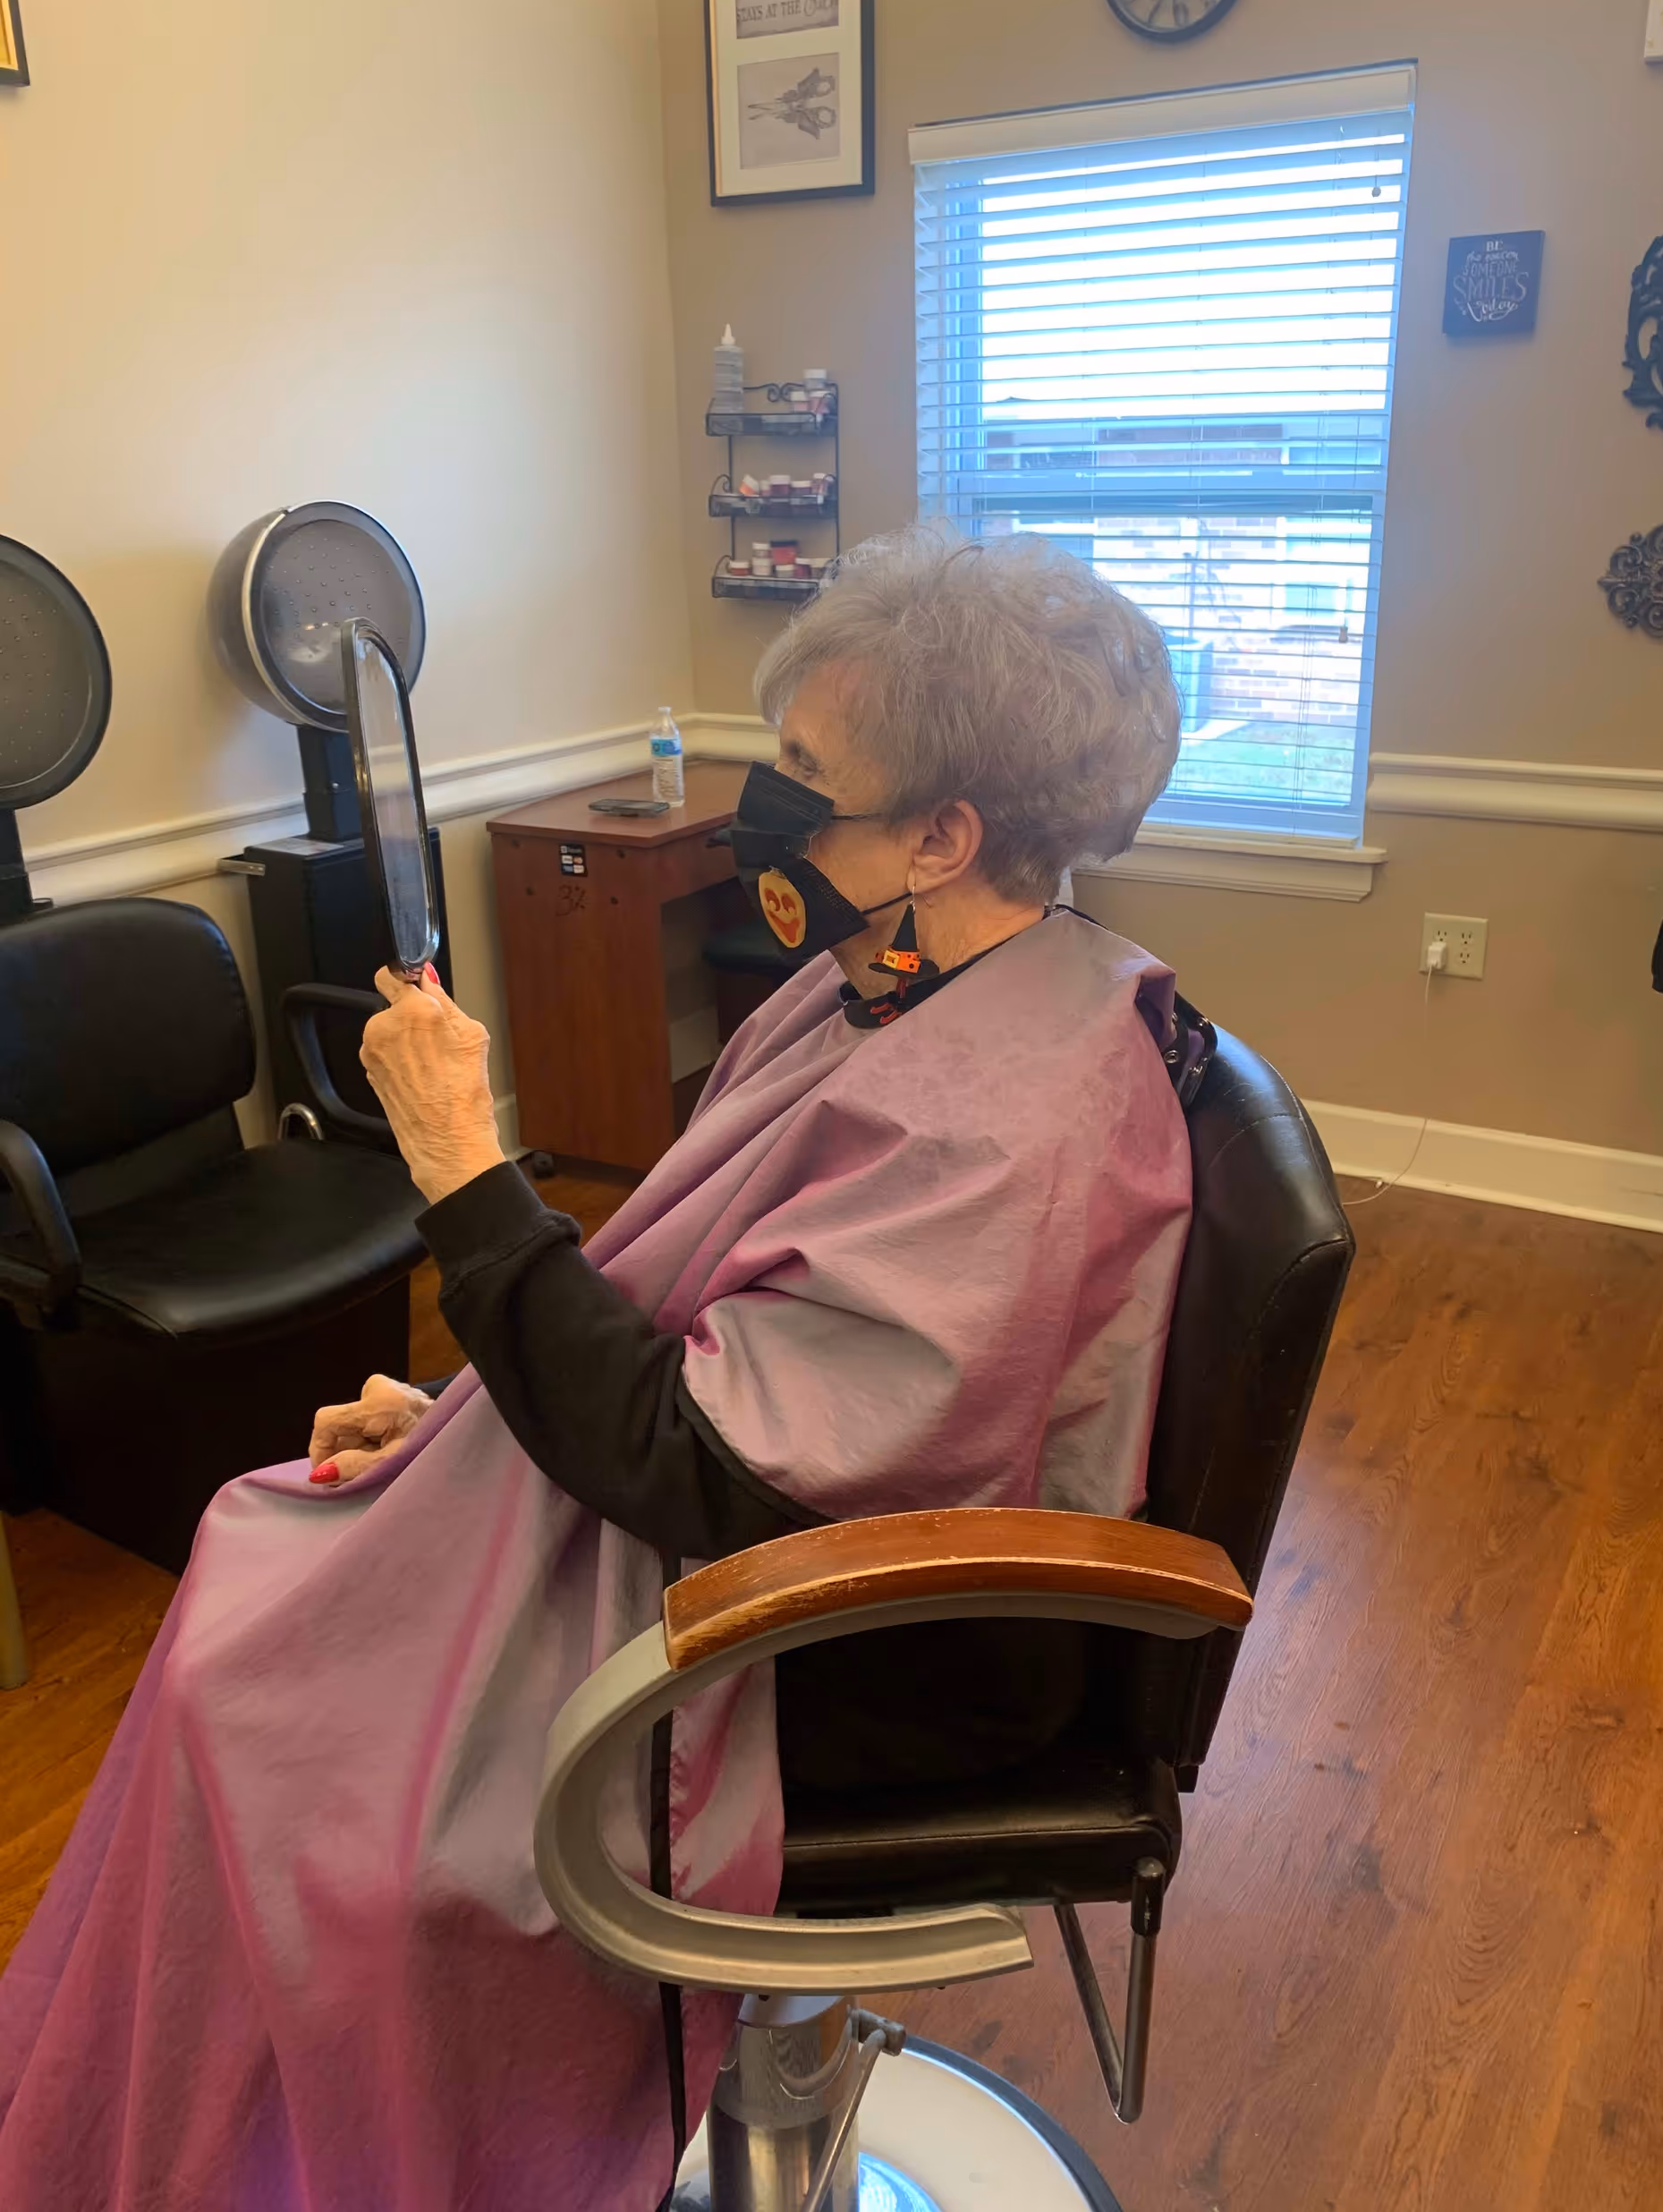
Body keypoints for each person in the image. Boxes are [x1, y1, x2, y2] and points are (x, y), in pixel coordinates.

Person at [0, 526, 1193, 2212]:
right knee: (266, 1562)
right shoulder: (894, 988)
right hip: (769, 1514)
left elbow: (714, 1468)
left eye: (803, 777)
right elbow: (731, 1323)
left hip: (860, 1636)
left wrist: (461, 1169)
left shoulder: (1009, 1124)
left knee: (273, 1729)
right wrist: (471, 1422)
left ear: (944, 833)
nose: (757, 813)